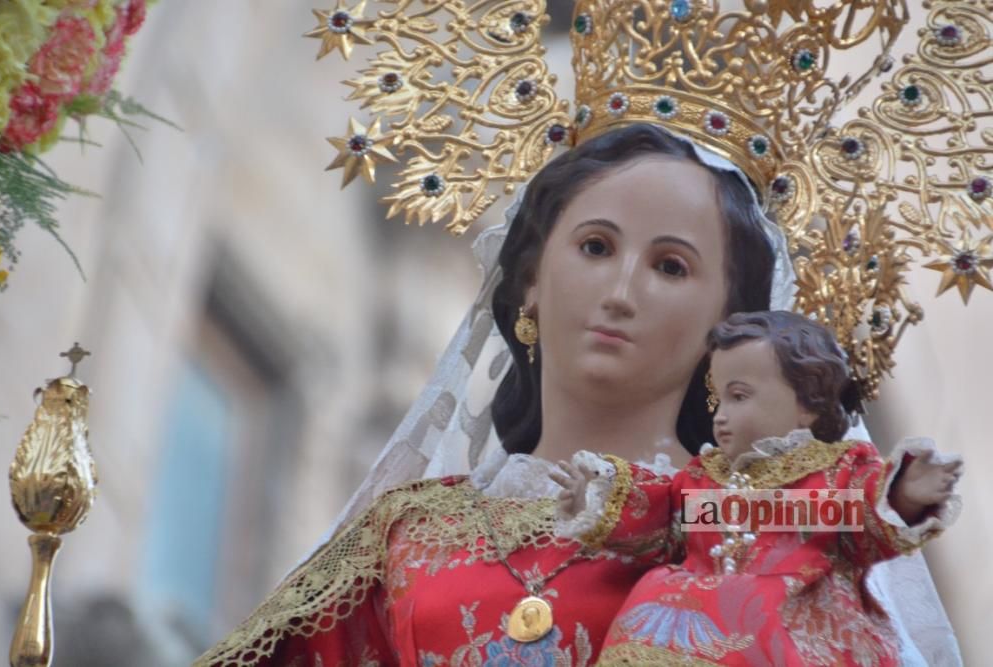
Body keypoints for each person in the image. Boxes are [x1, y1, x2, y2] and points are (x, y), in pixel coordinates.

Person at [195, 123, 781, 666]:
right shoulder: (407, 534)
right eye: (596, 248)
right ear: (530, 280)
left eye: (671, 266)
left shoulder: (747, 540)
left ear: (726, 325)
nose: (621, 292)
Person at [552, 311, 963, 665]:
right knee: (661, 591)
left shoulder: (836, 475)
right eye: (719, 399)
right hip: (695, 622)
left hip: (793, 625)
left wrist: (905, 495)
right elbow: (664, 522)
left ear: (808, 404)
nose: (721, 416)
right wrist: (595, 496)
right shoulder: (704, 479)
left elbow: (869, 520)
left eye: (739, 396)